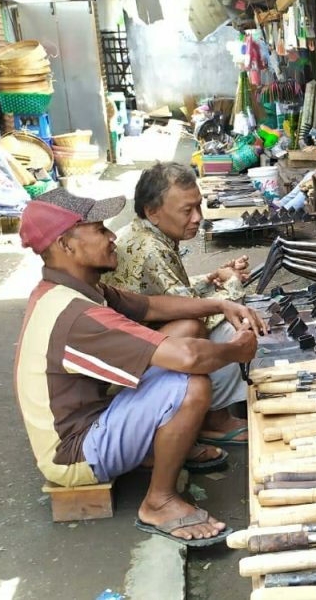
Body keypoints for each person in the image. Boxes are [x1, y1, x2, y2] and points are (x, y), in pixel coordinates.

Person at [15, 188, 267, 545]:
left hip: (95, 415)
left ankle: (165, 446)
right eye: (99, 229)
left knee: (188, 329)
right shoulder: (76, 315)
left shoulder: (80, 290)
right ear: (66, 245)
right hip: (75, 453)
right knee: (190, 385)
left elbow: (152, 307)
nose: (112, 236)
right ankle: (159, 502)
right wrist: (237, 349)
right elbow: (189, 359)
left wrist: (217, 305)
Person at [105, 162, 250, 447]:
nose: (197, 217)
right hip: (135, 361)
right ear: (152, 212)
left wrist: (212, 278)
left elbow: (170, 294)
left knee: (216, 314)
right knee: (232, 328)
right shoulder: (150, 248)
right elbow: (191, 309)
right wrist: (232, 284)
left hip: (140, 341)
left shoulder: (141, 233)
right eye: (187, 211)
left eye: (198, 206)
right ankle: (214, 420)